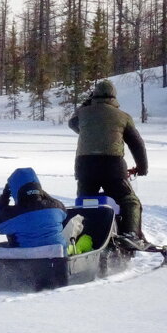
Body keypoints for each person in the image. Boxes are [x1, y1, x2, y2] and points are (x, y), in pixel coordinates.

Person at [68, 79, 149, 243]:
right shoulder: (123, 117)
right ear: (114, 97)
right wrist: (142, 168)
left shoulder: (83, 114)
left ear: (93, 96)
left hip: (85, 168)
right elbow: (137, 143)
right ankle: (131, 235)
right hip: (112, 167)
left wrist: (87, 103)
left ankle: (85, 236)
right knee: (129, 201)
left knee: (85, 203)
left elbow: (73, 123)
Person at [0, 167, 81, 249]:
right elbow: (64, 213)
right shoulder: (56, 208)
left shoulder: (11, 214)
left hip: (26, 260)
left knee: (0, 246)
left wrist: (4, 196)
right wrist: (39, 192)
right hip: (57, 258)